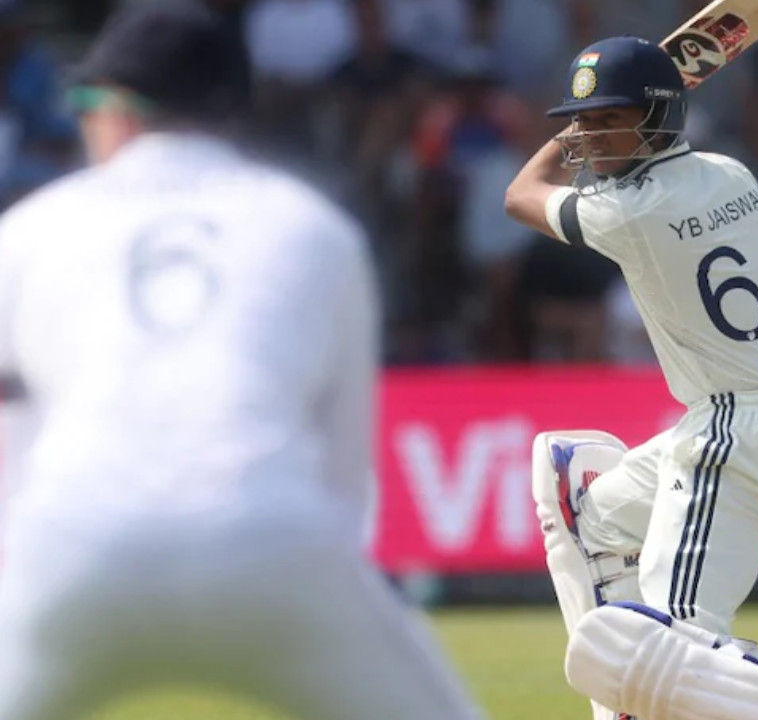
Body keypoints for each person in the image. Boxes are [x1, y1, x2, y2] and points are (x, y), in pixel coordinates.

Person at [0, 3, 485, 718]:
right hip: (273, 546)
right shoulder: (312, 226)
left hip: (70, 548)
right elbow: (345, 473)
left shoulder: (29, 228)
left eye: (89, 102)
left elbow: (12, 441)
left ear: (122, 110)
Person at [504, 36, 758, 720]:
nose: (587, 137)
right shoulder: (730, 173)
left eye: (604, 121)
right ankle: (623, 709)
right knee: (587, 510)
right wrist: (611, 115)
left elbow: (519, 196)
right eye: (581, 121)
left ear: (656, 117)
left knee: (676, 637)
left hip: (741, 431)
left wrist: (558, 141)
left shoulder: (632, 213)